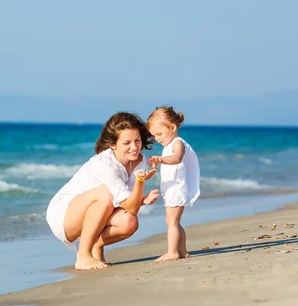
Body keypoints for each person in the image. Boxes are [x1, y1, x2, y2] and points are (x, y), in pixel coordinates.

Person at [46, 112, 159, 270]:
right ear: (113, 144)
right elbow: (127, 202)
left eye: (137, 140)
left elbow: (131, 208)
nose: (134, 147)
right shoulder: (106, 164)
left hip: (97, 210)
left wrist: (141, 198)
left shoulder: (139, 161)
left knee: (129, 222)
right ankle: (83, 256)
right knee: (106, 194)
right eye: (127, 143)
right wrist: (140, 183)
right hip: (64, 216)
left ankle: (96, 246)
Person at [146, 106, 200, 262]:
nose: (157, 138)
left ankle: (172, 252)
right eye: (154, 135)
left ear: (173, 127)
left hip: (177, 188)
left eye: (159, 134)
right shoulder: (168, 145)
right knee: (172, 221)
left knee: (172, 221)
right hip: (171, 188)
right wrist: (156, 165)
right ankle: (182, 251)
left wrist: (162, 160)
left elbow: (176, 158)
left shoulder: (177, 143)